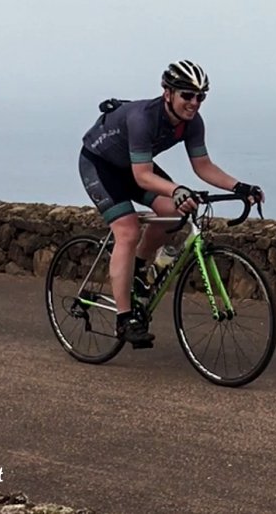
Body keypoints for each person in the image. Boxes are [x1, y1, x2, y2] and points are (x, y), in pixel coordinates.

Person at [78, 59, 264, 348]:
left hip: (131, 167)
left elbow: (203, 165)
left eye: (200, 97)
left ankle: (139, 267)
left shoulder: (192, 123)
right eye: (187, 95)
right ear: (168, 93)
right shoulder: (143, 118)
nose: (194, 103)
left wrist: (239, 187)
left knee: (172, 210)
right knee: (127, 231)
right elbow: (142, 177)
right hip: (100, 165)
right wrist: (177, 188)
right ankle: (125, 319)